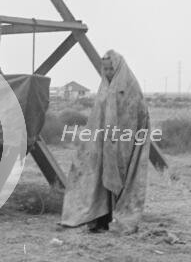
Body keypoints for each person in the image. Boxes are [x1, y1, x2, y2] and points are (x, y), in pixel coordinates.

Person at [60, 50, 150, 233]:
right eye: (105, 69)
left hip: (124, 144)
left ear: (118, 68)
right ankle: (100, 219)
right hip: (103, 143)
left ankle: (118, 218)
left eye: (111, 69)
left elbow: (138, 115)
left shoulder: (130, 88)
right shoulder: (104, 89)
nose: (108, 72)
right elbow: (97, 118)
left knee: (121, 177)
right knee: (98, 177)